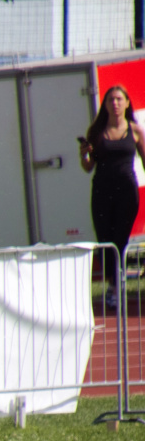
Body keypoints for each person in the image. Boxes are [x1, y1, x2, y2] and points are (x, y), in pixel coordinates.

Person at [78, 85, 145, 310]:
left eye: (118, 99)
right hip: (101, 191)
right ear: (105, 105)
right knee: (105, 240)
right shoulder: (96, 133)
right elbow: (88, 167)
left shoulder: (135, 131)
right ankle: (112, 284)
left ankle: (117, 287)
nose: (114, 103)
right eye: (110, 100)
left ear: (127, 103)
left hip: (127, 192)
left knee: (120, 239)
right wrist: (84, 155)